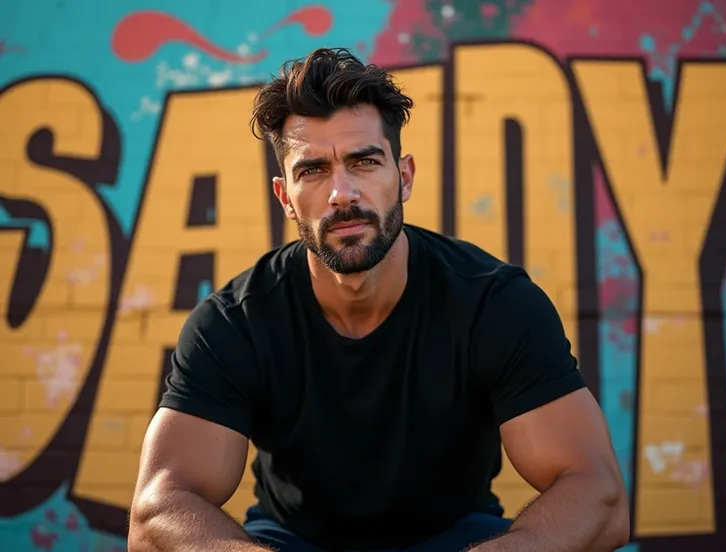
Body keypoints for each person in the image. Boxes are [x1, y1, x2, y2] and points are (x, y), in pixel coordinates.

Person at [127, 48, 630, 552]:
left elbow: (599, 496)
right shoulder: (235, 323)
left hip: (458, 540)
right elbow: (157, 513)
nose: (342, 193)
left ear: (404, 176)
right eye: (314, 170)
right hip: (290, 542)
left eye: (364, 162)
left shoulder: (493, 304)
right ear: (284, 196)